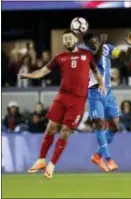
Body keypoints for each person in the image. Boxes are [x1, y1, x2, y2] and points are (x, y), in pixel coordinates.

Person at [19, 30, 106, 179]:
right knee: (51, 127)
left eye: (69, 38)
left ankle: (51, 165)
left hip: (78, 100)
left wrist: (101, 83)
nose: (66, 41)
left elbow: (96, 71)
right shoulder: (60, 57)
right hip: (62, 96)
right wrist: (30, 75)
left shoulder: (87, 55)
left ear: (75, 39)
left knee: (66, 131)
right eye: (64, 39)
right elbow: (43, 71)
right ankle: (41, 160)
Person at [80, 32, 131, 171]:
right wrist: (103, 40)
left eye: (96, 40)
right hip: (94, 92)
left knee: (114, 126)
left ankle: (98, 155)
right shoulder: (86, 54)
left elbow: (125, 57)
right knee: (99, 124)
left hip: (108, 92)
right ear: (87, 44)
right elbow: (97, 56)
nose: (95, 43)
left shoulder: (107, 47)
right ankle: (109, 159)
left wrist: (129, 45)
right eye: (92, 41)